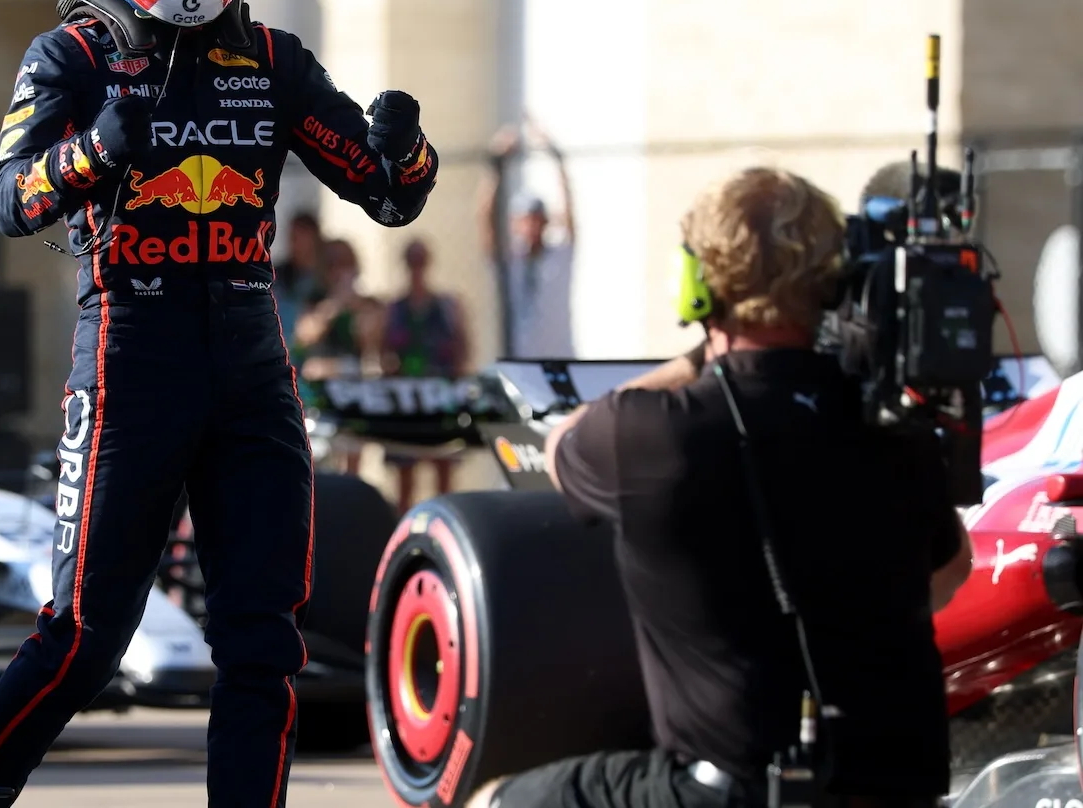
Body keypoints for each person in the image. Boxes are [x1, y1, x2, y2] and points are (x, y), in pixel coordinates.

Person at [0, 0, 438, 806]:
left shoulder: (272, 58)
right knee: (85, 637)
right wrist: (95, 151)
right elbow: (8, 200)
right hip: (127, 358)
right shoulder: (73, 54)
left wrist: (408, 148)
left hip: (250, 367)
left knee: (264, 642)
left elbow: (386, 194)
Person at [468, 167, 974, 808]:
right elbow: (951, 570)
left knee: (493, 801)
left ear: (699, 287)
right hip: (899, 791)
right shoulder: (900, 433)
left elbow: (562, 443)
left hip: (727, 792)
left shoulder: (647, 434)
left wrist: (692, 363)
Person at [478, 119, 575, 357]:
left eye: (536, 219)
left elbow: (571, 213)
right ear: (515, 224)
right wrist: (496, 168)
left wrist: (556, 157)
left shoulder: (559, 256)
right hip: (522, 361)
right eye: (525, 219)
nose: (530, 226)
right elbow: (485, 219)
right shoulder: (511, 262)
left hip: (561, 357)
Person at [293, 238, 385, 379]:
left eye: (344, 264)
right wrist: (333, 305)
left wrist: (355, 306)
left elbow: (371, 347)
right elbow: (303, 336)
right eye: (331, 264)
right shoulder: (314, 301)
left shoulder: (369, 304)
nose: (337, 271)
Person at [380, 238, 471, 377]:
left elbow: (462, 348)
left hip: (442, 380)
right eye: (412, 261)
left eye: (420, 261)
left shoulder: (447, 308)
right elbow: (385, 351)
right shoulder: (394, 310)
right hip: (405, 382)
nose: (416, 268)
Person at [274, 210, 327, 353]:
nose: (295, 244)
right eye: (292, 238)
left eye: (300, 237)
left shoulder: (327, 276)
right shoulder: (278, 274)